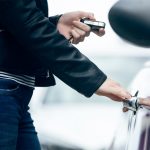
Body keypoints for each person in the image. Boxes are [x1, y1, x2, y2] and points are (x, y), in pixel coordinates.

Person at [0, 0, 132, 150]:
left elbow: (18, 18)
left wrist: (53, 23)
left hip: (16, 95)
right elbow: (28, 23)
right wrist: (95, 80)